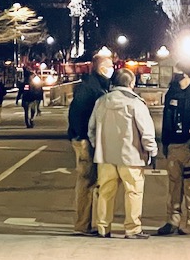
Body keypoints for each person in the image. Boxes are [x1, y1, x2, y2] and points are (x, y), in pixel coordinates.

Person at [88, 68, 158, 238]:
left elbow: (91, 129)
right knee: (133, 192)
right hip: (131, 156)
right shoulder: (135, 103)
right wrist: (152, 150)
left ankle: (103, 227)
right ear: (131, 83)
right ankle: (132, 228)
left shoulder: (102, 102)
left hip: (105, 156)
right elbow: (146, 132)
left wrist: (98, 145)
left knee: (105, 192)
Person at [67, 53, 114, 234]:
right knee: (86, 181)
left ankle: (87, 223)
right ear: (100, 67)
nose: (112, 69)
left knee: (91, 181)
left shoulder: (97, 85)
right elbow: (77, 115)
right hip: (85, 140)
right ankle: (82, 224)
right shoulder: (90, 88)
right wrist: (82, 138)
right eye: (109, 65)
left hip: (88, 138)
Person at [156, 62, 190, 236]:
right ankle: (172, 220)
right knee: (174, 185)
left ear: (188, 75)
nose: (176, 78)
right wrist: (165, 143)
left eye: (179, 75)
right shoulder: (172, 92)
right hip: (174, 144)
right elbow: (167, 120)